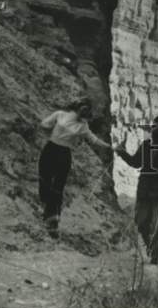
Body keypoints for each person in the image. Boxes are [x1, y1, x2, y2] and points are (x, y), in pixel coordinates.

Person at [115, 116, 158, 264]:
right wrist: (122, 152)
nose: (153, 130)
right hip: (144, 189)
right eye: (153, 127)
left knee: (157, 224)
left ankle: (155, 256)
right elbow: (135, 162)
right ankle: (150, 248)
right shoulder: (146, 145)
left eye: (157, 127)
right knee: (141, 223)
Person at [38, 97, 112, 238]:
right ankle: (47, 211)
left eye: (87, 109)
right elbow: (44, 124)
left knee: (58, 187)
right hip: (51, 149)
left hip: (63, 154)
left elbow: (93, 139)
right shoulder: (60, 114)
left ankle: (53, 221)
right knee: (45, 179)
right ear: (77, 106)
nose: (84, 110)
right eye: (83, 107)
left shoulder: (83, 126)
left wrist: (109, 147)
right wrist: (49, 133)